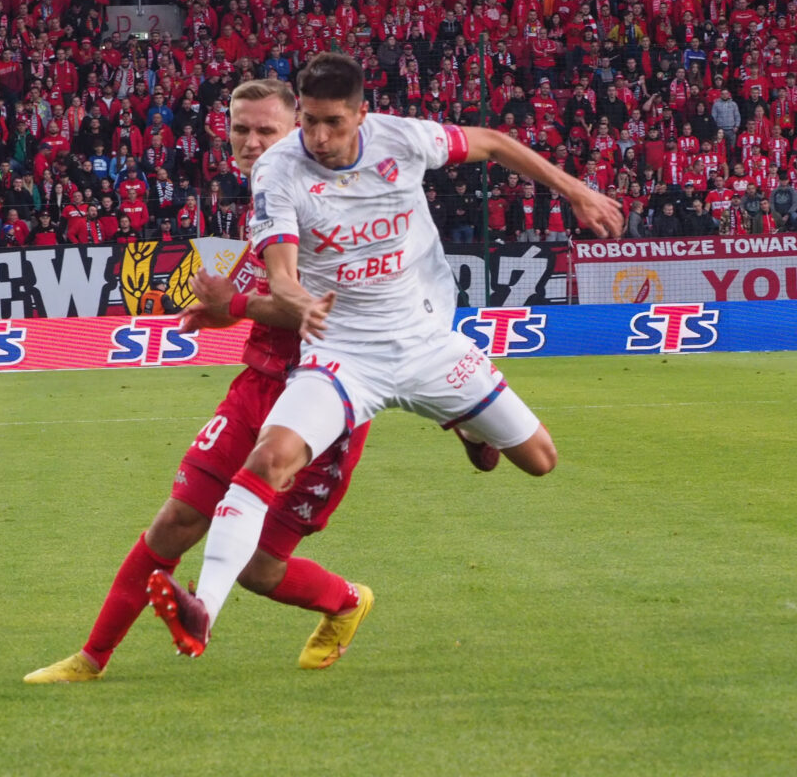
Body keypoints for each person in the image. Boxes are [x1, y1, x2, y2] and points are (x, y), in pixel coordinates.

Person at [147, 53, 623, 657]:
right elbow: (283, 275)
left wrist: (576, 191)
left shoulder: (404, 138)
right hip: (343, 355)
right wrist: (298, 300)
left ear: (362, 114)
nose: (319, 137)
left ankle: (466, 425)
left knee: (539, 459)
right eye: (312, 121)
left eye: (335, 123)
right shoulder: (278, 170)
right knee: (270, 459)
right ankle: (203, 610)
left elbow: (495, 143)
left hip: (427, 342)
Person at [23, 79, 380, 685]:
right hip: (257, 386)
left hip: (326, 397)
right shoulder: (265, 196)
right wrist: (223, 304)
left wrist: (235, 304)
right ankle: (91, 659)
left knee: (260, 569)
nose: (251, 141)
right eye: (241, 129)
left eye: (266, 130)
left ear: (299, 128)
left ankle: (346, 602)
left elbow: (327, 309)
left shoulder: (337, 201)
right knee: (173, 524)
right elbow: (260, 285)